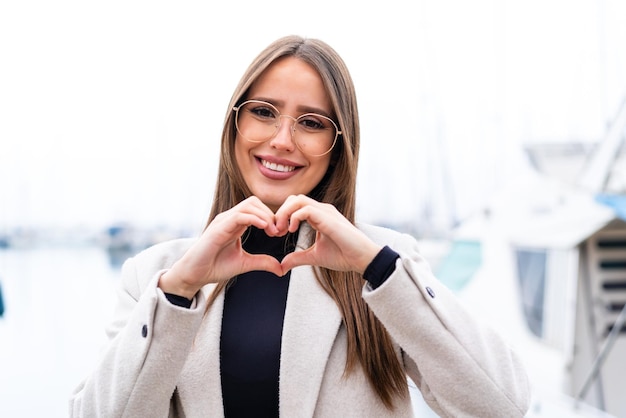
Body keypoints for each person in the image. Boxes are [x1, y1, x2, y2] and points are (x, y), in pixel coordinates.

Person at [70, 35, 531, 417]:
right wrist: (179, 290)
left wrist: (376, 266)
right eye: (264, 112)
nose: (282, 141)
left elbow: (504, 405)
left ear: (337, 145)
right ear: (233, 125)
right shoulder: (158, 275)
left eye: (311, 122)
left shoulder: (383, 263)